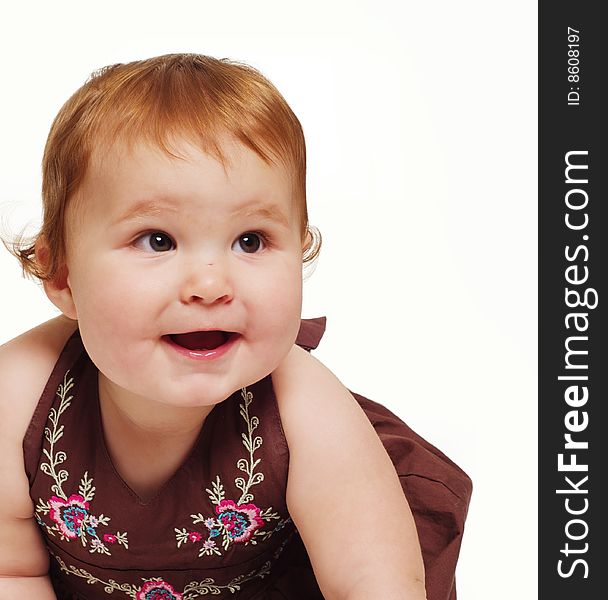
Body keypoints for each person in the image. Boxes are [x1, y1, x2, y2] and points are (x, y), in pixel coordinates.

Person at [0, 53, 471, 600]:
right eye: (157, 239)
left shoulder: (302, 406)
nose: (209, 283)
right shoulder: (18, 396)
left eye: (250, 240)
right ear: (62, 276)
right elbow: (12, 574)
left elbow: (374, 585)